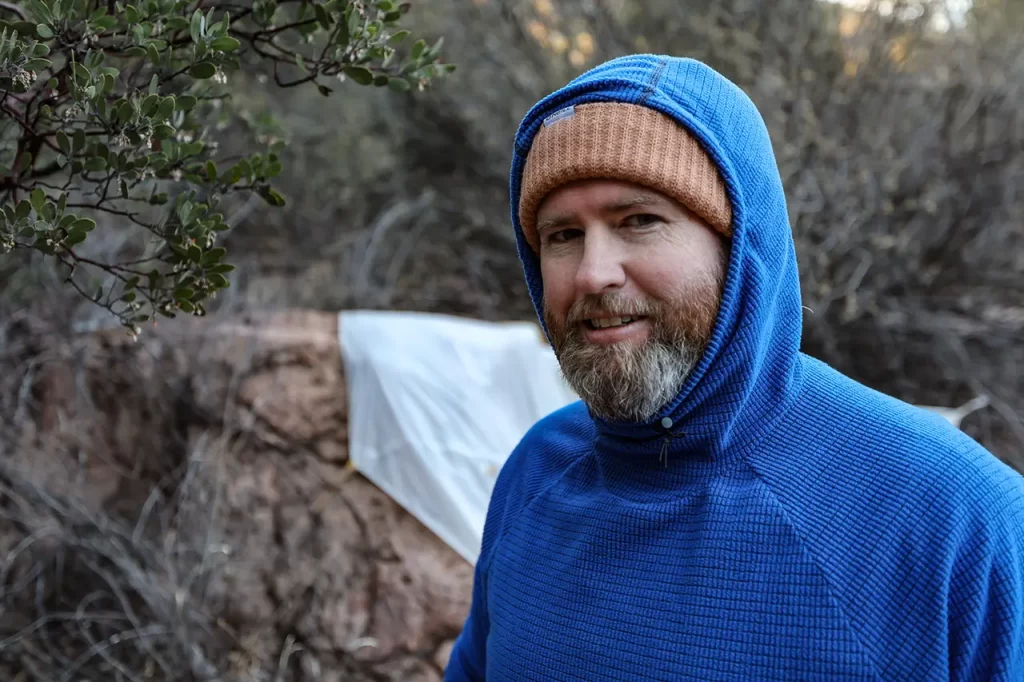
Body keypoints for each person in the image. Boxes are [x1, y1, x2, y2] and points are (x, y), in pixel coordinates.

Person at [443, 54, 1024, 681]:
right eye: (562, 234)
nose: (591, 272)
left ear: (740, 246)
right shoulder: (538, 472)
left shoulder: (953, 515)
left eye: (639, 221)